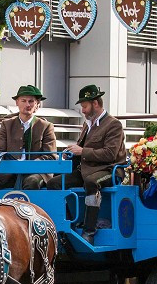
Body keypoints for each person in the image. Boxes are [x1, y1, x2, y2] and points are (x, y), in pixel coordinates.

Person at [44, 84, 125, 243]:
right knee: (54, 183)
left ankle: (89, 231)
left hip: (109, 169)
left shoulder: (113, 124)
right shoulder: (86, 125)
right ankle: (67, 225)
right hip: (86, 170)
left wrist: (82, 151)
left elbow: (110, 154)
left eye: (85, 106)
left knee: (91, 182)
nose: (83, 110)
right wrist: (71, 154)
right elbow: (81, 152)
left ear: (95, 103)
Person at [0, 85, 58, 189]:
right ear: (17, 102)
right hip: (9, 171)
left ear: (37, 104)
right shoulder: (6, 124)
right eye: (23, 101)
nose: (27, 104)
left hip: (36, 172)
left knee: (31, 182)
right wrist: (10, 164)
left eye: (31, 101)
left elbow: (51, 156)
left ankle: (31, 205)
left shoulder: (46, 126)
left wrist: (30, 165)